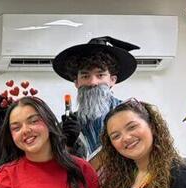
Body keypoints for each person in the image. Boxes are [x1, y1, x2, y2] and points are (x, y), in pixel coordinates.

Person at [51, 36, 139, 165]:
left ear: (112, 80)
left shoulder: (134, 113)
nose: (93, 82)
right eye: (85, 76)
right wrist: (66, 143)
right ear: (76, 82)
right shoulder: (67, 125)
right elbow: (57, 171)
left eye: (100, 75)